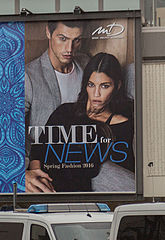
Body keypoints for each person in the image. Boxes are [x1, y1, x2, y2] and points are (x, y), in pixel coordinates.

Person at [27, 52, 135, 192]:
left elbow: (119, 175)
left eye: (104, 86)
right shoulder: (64, 112)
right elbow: (38, 150)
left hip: (92, 195)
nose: (96, 94)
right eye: (91, 85)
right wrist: (38, 178)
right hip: (50, 190)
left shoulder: (124, 125)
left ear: (117, 86)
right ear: (85, 85)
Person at [24, 21, 87, 192]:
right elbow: (8, 131)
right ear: (48, 33)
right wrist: (22, 174)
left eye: (77, 40)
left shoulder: (87, 65)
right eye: (63, 38)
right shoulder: (29, 77)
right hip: (45, 169)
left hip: (85, 163)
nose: (69, 48)